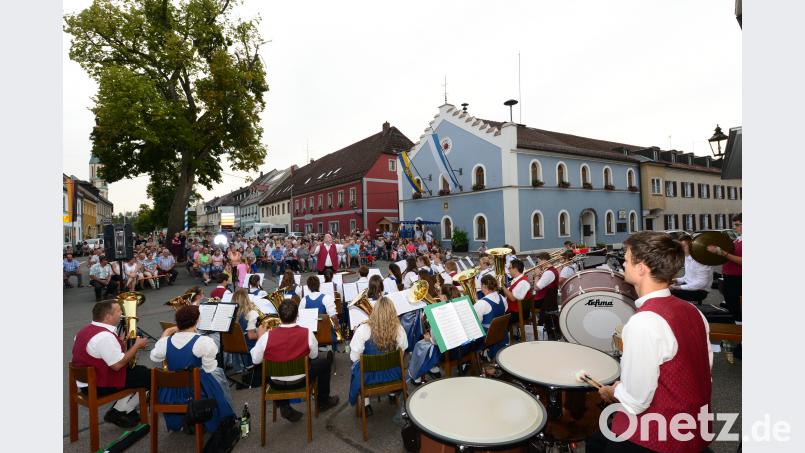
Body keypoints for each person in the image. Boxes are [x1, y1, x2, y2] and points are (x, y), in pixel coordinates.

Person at [588, 231, 712, 453]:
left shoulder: (644, 322)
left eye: (626, 260)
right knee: (597, 438)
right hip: (695, 428)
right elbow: (701, 371)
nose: (623, 265)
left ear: (641, 268)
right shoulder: (693, 311)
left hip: (659, 436)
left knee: (597, 439)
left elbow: (636, 401)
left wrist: (613, 391)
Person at [150, 305, 235, 433]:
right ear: (196, 321)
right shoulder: (203, 341)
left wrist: (166, 332)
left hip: (171, 394)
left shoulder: (166, 342)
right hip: (195, 391)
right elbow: (209, 368)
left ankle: (182, 422)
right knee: (217, 375)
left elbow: (154, 356)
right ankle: (224, 418)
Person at [250, 300, 339, 422]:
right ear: (297, 316)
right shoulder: (307, 333)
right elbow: (314, 356)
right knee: (324, 363)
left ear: (279, 316)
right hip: (301, 381)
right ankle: (323, 402)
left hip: (276, 383)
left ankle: (284, 405)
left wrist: (260, 337)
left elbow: (255, 360)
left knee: (266, 368)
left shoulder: (266, 337)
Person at [71, 301, 150, 428]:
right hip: (97, 386)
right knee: (149, 376)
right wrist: (136, 346)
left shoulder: (84, 330)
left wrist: (121, 343)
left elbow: (100, 354)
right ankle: (122, 410)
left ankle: (119, 409)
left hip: (87, 382)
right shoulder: (104, 336)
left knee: (139, 372)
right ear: (108, 316)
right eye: (119, 311)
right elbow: (117, 365)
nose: (122, 313)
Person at [348, 296, 408, 415]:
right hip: (393, 374)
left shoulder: (363, 329)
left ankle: (366, 405)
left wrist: (356, 335)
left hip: (369, 377)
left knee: (357, 366)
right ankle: (392, 394)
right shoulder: (399, 329)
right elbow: (402, 351)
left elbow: (354, 358)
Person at [708, 214, 742, 322]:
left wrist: (723, 253)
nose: (735, 228)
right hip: (730, 279)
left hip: (738, 280)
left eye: (738, 225)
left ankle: (739, 328)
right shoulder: (738, 240)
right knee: (732, 308)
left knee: (737, 311)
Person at [474, 274, 509, 360]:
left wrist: (476, 303)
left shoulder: (481, 303)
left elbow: (476, 323)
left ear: (484, 286)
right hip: (502, 332)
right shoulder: (502, 298)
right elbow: (504, 310)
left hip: (488, 336)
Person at [670, 234, 713, 304]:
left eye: (683, 246)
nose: (681, 249)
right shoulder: (687, 257)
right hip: (691, 286)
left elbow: (701, 283)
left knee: (669, 292)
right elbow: (687, 278)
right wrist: (675, 280)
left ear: (691, 246)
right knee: (665, 288)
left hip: (700, 291)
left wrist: (678, 287)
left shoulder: (700, 260)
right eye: (680, 247)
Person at [300, 276, 338, 345]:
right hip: (325, 332)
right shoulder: (327, 298)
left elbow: (300, 318)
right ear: (319, 285)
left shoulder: (303, 300)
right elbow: (333, 316)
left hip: (310, 334)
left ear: (308, 287)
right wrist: (337, 327)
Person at [501, 259, 532, 340]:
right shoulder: (517, 280)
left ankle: (502, 341)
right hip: (515, 311)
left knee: (498, 320)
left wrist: (502, 286)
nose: (508, 270)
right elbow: (509, 293)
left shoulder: (523, 282)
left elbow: (512, 298)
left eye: (509, 268)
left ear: (515, 269)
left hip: (520, 313)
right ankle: (510, 336)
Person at [531, 252, 559, 331]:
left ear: (544, 261)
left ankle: (535, 325)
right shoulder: (549, 271)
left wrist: (536, 275)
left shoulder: (549, 272)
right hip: (545, 299)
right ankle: (536, 323)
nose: (538, 264)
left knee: (525, 304)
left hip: (545, 301)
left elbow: (536, 287)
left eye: (539, 261)